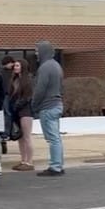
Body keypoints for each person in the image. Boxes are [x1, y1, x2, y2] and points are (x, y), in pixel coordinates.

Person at [33, 41, 65, 177]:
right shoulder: (57, 66)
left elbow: (40, 89)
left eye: (37, 50)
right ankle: (58, 164)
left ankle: (55, 166)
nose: (36, 53)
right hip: (56, 104)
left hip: (48, 106)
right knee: (56, 137)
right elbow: (61, 87)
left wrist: (34, 104)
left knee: (53, 138)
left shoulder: (45, 67)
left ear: (43, 51)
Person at [9, 59, 36, 171]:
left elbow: (28, 97)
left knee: (27, 136)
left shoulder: (28, 80)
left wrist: (18, 105)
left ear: (23, 67)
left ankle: (29, 162)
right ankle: (23, 160)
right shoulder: (15, 80)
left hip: (26, 111)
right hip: (16, 111)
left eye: (17, 66)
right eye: (15, 66)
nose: (15, 67)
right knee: (20, 137)